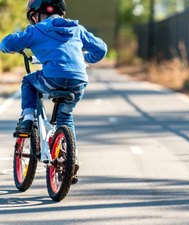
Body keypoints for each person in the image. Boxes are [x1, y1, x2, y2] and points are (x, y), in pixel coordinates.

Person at [0, 0, 108, 183]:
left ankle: (27, 119)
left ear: (37, 14)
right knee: (66, 117)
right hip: (78, 81)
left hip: (52, 77)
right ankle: (71, 158)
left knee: (29, 81)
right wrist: (85, 59)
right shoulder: (77, 28)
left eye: (34, 16)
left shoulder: (37, 29)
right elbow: (101, 49)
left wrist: (6, 48)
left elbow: (8, 43)